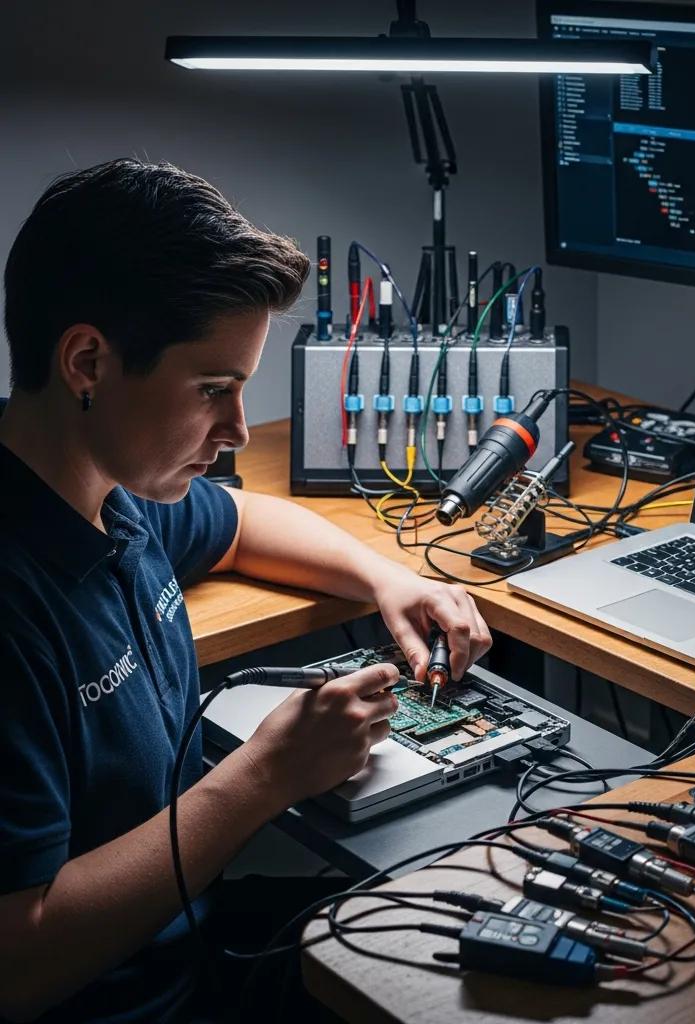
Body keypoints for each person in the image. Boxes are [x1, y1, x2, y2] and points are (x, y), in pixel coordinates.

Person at [0, 158, 491, 1023]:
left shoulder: (109, 489)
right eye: (214, 390)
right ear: (87, 361)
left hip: (193, 943)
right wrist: (264, 776)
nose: (234, 433)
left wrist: (390, 576)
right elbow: (19, 964)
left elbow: (238, 525)